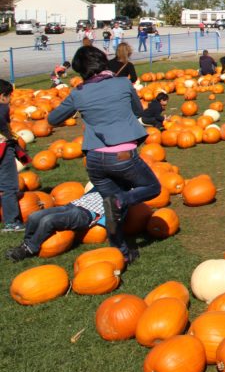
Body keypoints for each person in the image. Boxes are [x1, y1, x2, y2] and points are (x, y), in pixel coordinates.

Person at [47, 46, 161, 264]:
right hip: (123, 156)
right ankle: (121, 200)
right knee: (151, 188)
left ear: (80, 69)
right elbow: (139, 111)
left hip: (94, 160)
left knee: (111, 205)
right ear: (103, 62)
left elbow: (52, 120)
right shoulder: (122, 83)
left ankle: (122, 253)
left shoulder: (78, 93)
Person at [6, 191, 108, 261]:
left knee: (48, 221)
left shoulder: (120, 196)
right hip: (71, 206)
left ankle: (30, 249)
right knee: (33, 216)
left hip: (84, 215)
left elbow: (114, 217)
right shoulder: (99, 185)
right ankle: (26, 244)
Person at [0, 79, 25, 232]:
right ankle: (12, 223)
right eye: (9, 96)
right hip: (3, 149)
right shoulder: (2, 108)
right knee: (8, 186)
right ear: (3, 96)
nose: (9, 100)